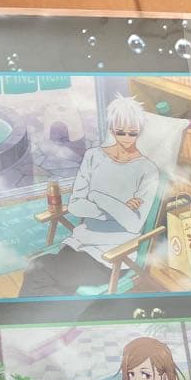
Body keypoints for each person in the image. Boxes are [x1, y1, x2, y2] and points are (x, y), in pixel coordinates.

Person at [19, 95, 160, 296]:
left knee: (38, 270)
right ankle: (52, 316)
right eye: (121, 131)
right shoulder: (93, 156)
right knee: (48, 281)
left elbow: (133, 224)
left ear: (140, 131)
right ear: (112, 128)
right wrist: (119, 208)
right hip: (80, 244)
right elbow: (76, 205)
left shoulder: (147, 170)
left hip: (112, 256)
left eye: (133, 132)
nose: (127, 138)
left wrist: (98, 196)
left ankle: (27, 315)